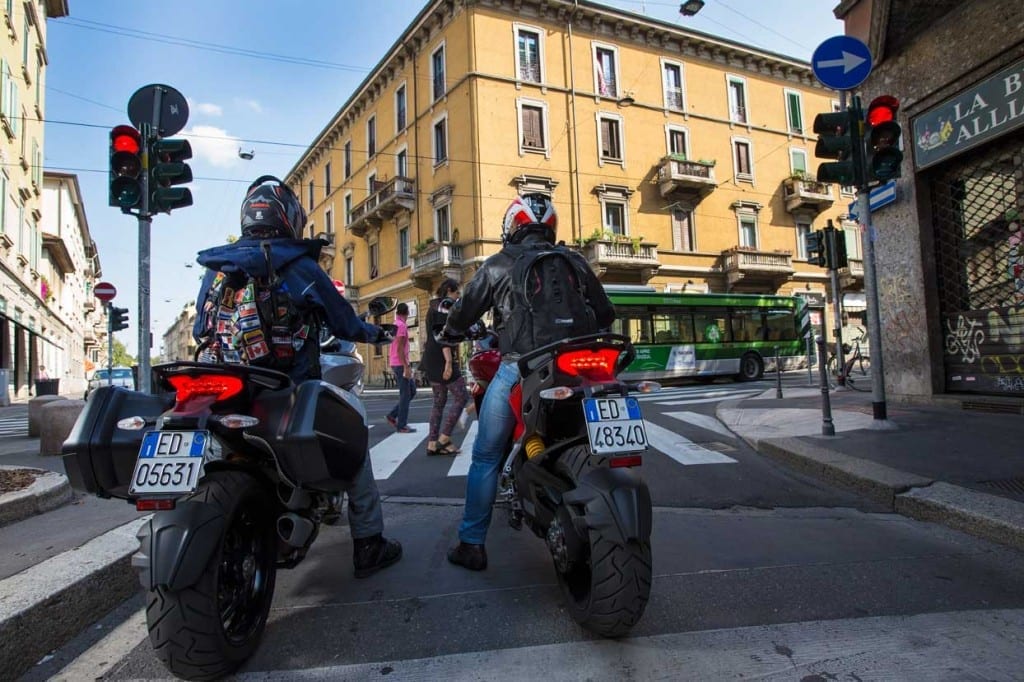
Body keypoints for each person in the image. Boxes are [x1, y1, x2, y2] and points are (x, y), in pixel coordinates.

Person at [192, 175, 402, 579]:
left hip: (227, 388)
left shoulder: (216, 268)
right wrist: (377, 332)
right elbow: (342, 322)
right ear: (290, 218)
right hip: (287, 388)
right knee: (354, 436)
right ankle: (369, 542)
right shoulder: (297, 264)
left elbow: (202, 328)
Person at [441, 193, 615, 571]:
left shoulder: (498, 264)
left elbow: (462, 313)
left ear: (511, 227)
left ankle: (472, 543)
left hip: (522, 366)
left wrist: (450, 333)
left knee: (486, 455)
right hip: (583, 364)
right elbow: (606, 313)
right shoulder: (574, 260)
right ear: (550, 227)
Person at [421, 278, 469, 456]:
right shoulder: (444, 307)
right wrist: (449, 362)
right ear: (449, 290)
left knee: (439, 402)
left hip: (431, 359)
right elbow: (444, 336)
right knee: (462, 396)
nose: (458, 298)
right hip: (442, 359)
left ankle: (432, 443)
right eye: (457, 293)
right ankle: (444, 438)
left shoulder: (432, 306)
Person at [386, 303, 417, 433]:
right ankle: (402, 425)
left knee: (412, 390)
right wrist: (406, 367)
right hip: (400, 363)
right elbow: (399, 349)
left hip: (395, 362)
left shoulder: (395, 324)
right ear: (407, 313)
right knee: (405, 394)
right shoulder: (402, 326)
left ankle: (392, 415)